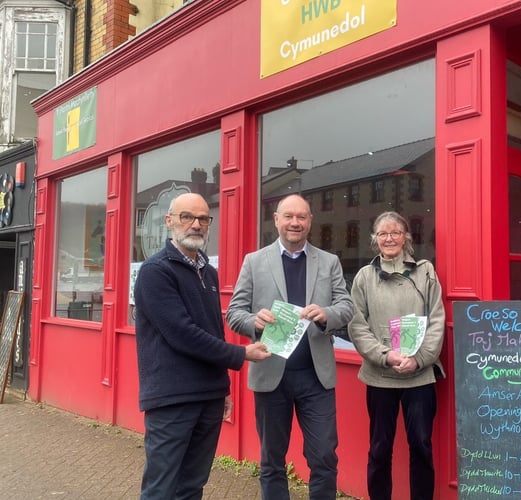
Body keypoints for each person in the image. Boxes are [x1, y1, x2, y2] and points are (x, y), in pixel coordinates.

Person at [134, 192, 272, 499]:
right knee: (161, 488)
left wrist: (222, 388)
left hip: (208, 397)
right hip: (171, 399)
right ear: (169, 221)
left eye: (203, 219)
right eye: (187, 217)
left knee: (193, 486)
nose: (196, 224)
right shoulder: (156, 272)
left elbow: (213, 331)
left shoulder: (208, 273)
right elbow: (182, 333)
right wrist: (241, 353)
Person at [225, 194, 354, 500]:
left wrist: (327, 315)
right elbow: (234, 313)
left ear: (310, 221)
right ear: (277, 220)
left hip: (315, 377)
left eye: (301, 217)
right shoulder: (254, 262)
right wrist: (256, 321)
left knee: (324, 456)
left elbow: (347, 306)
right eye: (289, 216)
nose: (295, 223)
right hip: (272, 376)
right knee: (272, 461)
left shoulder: (329, 261)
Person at [347, 211, 446, 500]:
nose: (389, 238)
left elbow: (437, 319)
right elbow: (356, 326)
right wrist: (385, 356)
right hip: (381, 378)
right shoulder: (365, 277)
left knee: (422, 447)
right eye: (382, 234)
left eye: (395, 232)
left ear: (406, 238)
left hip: (419, 377)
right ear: (374, 240)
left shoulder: (425, 271)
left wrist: (420, 358)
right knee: (379, 449)